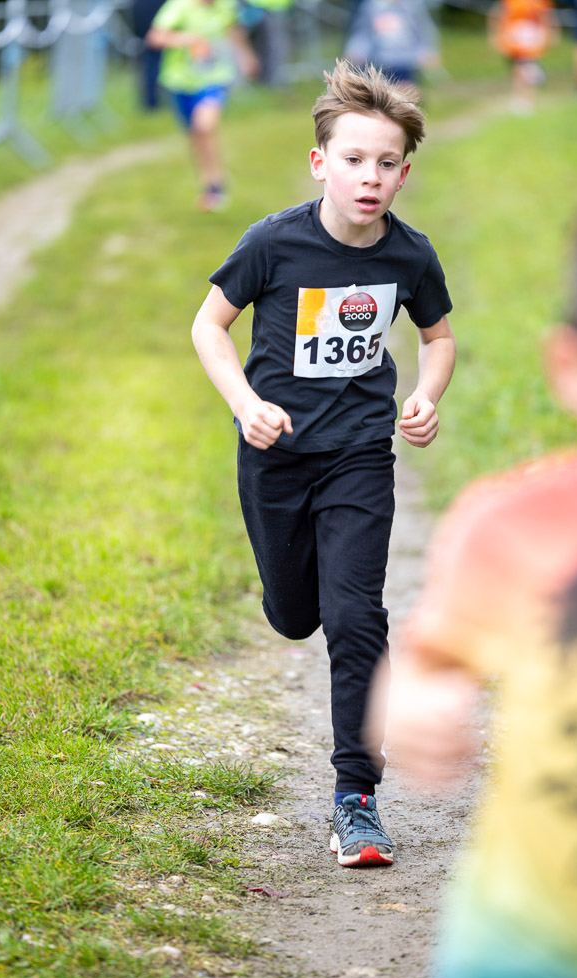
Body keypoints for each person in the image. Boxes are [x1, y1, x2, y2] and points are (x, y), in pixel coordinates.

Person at [191, 59, 456, 867]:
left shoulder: (409, 256)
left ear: (403, 173)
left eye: (385, 163)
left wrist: (425, 395)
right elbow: (208, 326)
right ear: (319, 163)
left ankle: (356, 799)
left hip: (357, 456)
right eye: (352, 159)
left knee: (355, 616)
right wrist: (245, 404)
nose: (369, 176)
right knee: (294, 614)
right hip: (273, 457)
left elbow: (438, 337)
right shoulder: (273, 243)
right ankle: (287, 597)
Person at [380, 209, 577, 978]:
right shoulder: (510, 531)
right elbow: (427, 662)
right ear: (573, 367)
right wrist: (420, 704)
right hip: (529, 953)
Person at [145, 0, 259, 211]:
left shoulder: (226, 6)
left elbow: (233, 30)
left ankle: (215, 184)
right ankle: (208, 179)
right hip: (180, 81)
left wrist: (246, 55)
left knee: (205, 126)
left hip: (214, 78)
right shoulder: (179, 6)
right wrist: (188, 39)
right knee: (195, 135)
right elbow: (155, 37)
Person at [345, 0, 442, 89]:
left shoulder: (412, 7)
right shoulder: (371, 7)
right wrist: (356, 50)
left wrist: (427, 50)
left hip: (404, 62)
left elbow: (423, 31)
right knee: (377, 93)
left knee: (407, 91)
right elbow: (362, 33)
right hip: (378, 61)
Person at [488, 0, 559, 114]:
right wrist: (496, 35)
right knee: (517, 68)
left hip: (533, 36)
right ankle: (519, 98)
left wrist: (552, 32)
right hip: (515, 36)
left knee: (530, 67)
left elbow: (548, 15)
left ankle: (530, 100)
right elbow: (497, 14)